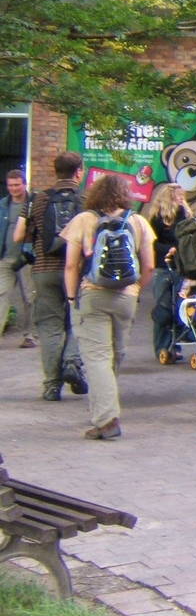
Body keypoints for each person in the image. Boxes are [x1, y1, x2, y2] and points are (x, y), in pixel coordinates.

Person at [61, 173, 157, 440]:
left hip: (93, 294)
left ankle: (106, 419)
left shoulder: (84, 220)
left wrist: (71, 298)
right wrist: (136, 289)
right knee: (116, 354)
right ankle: (105, 407)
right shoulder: (138, 221)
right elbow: (149, 265)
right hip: (126, 296)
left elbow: (70, 265)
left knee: (97, 357)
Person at [16, 152, 86, 400]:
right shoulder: (86, 199)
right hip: (77, 271)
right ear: (78, 171)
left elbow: (19, 236)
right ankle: (71, 362)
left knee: (50, 328)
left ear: (55, 171)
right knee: (78, 320)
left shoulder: (37, 199)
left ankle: (51, 385)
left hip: (44, 270)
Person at [143, 182, 190, 363]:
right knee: (163, 307)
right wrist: (170, 249)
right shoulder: (157, 217)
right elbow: (152, 243)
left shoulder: (185, 214)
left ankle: (175, 345)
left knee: (179, 306)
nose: (181, 199)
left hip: (180, 266)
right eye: (178, 196)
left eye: (182, 196)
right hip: (164, 266)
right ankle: (162, 347)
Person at [1, 169, 37, 347]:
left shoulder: (35, 203)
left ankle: (30, 335)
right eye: (10, 185)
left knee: (29, 297)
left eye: (17, 185)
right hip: (5, 258)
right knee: (2, 295)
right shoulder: (2, 205)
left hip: (27, 258)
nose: (14, 188)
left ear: (24, 184)